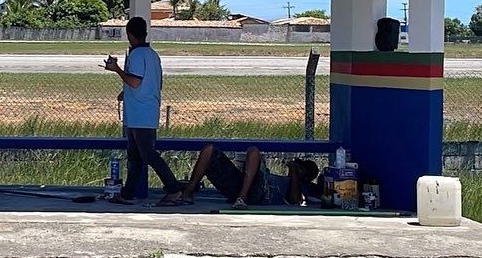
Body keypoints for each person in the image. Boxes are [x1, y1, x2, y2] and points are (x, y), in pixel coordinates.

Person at [103, 17, 183, 206]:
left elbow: (135, 81)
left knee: (147, 154)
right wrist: (126, 92)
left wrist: (116, 70)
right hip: (145, 110)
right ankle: (128, 193)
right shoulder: (153, 55)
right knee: (136, 155)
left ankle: (174, 189)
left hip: (140, 113)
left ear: (129, 34)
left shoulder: (137, 56)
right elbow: (152, 83)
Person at [180, 144, 320, 209]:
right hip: (242, 184)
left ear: (306, 178)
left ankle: (242, 198)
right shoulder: (288, 179)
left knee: (253, 151)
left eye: (301, 169)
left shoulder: (303, 187)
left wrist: (294, 172)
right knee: (209, 150)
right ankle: (188, 193)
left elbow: (295, 200)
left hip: (262, 193)